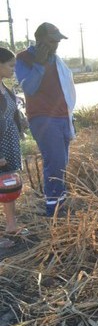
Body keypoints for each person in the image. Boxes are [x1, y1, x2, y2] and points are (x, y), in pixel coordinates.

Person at [15, 22, 76, 217]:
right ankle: (53, 210)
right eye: (51, 41)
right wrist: (39, 66)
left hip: (62, 117)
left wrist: (69, 118)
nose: (55, 45)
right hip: (43, 118)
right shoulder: (25, 58)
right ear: (38, 39)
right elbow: (29, 88)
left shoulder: (56, 59)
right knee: (55, 163)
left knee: (62, 164)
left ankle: (60, 204)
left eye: (57, 41)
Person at [0, 47, 28, 247]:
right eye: (10, 65)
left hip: (8, 145)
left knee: (7, 187)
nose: (13, 69)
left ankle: (11, 226)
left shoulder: (2, 86)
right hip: (1, 148)